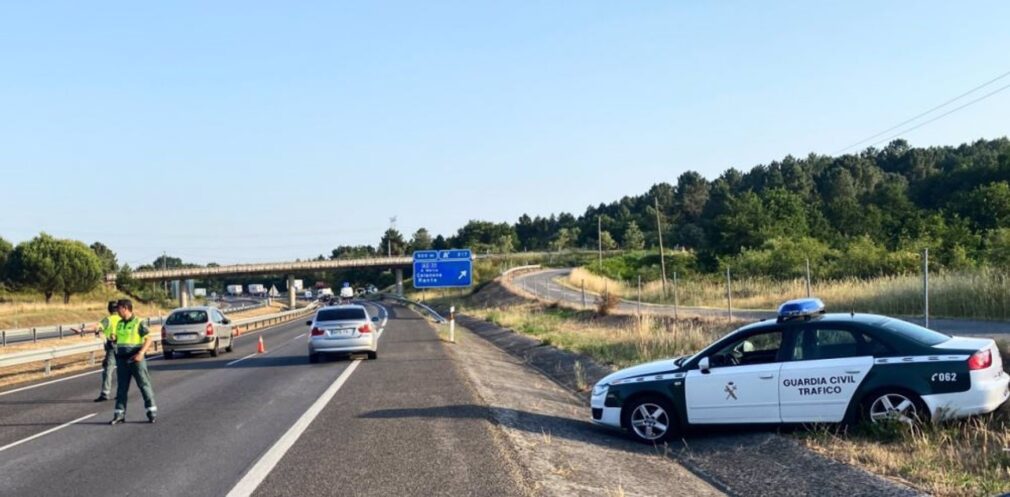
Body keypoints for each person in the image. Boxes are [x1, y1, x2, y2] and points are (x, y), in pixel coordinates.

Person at [110, 299, 157, 425]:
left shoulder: (139, 322)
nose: (117, 311)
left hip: (135, 359)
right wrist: (114, 339)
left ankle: (151, 412)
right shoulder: (119, 323)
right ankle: (119, 414)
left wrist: (141, 353)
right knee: (121, 388)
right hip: (122, 360)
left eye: (118, 308)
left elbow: (148, 339)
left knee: (143, 384)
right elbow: (120, 339)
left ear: (125, 308)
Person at [93, 300, 120, 402]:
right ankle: (120, 392)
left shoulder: (108, 320)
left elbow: (97, 327)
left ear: (109, 309)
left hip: (112, 347)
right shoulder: (123, 318)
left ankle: (105, 393)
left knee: (108, 370)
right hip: (123, 347)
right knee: (121, 371)